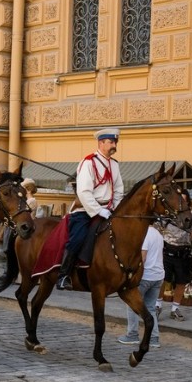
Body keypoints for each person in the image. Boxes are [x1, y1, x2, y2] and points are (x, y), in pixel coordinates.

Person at [57, 128, 125, 290]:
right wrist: (98, 210)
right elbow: (83, 191)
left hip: (108, 210)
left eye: (115, 142)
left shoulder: (114, 165)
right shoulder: (89, 162)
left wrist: (114, 208)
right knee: (78, 238)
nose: (114, 145)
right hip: (86, 210)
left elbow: (119, 189)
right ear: (101, 143)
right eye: (110, 142)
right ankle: (64, 275)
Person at [117, 223, 165, 348]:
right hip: (158, 275)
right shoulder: (158, 234)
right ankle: (154, 338)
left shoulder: (144, 234)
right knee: (150, 308)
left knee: (132, 304)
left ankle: (132, 334)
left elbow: (142, 257)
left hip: (145, 276)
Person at [157, 208, 192, 321]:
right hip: (167, 249)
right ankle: (157, 305)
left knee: (181, 281)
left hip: (184, 252)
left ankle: (175, 309)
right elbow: (156, 228)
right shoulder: (167, 215)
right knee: (162, 279)